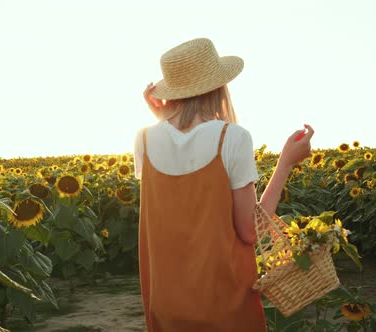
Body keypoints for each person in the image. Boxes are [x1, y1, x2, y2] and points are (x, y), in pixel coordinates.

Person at [133, 38, 314, 331]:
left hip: (166, 305)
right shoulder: (232, 137)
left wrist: (165, 119)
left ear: (174, 92)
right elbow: (250, 231)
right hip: (223, 303)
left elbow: (177, 183)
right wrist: (286, 164)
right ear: (219, 85)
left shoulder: (143, 139)